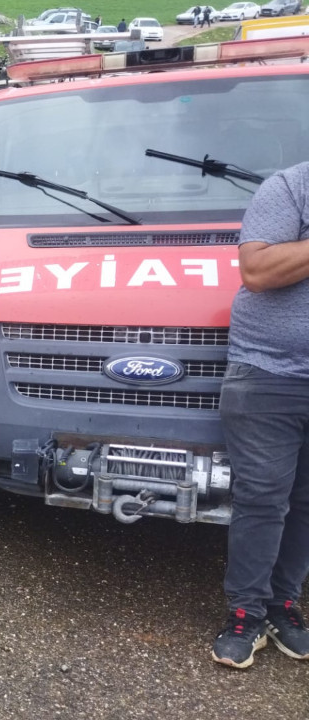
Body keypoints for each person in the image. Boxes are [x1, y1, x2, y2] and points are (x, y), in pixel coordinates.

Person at [209, 160, 309, 669]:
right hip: (270, 372)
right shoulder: (291, 188)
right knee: (263, 501)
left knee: (306, 502)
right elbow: (258, 270)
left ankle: (284, 606)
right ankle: (245, 615)